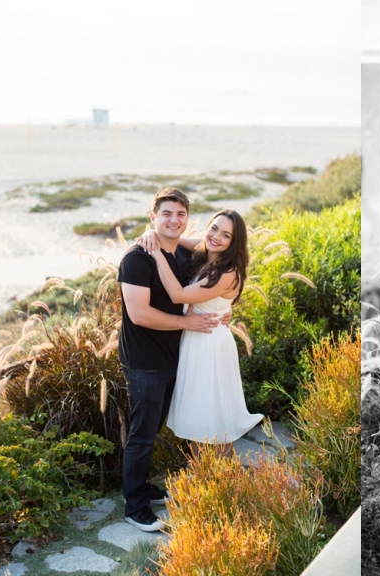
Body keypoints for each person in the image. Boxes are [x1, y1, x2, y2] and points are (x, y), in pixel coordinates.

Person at [118, 187, 226, 532]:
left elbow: (213, 244)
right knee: (143, 433)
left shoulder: (181, 253)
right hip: (144, 360)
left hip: (175, 356)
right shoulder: (136, 258)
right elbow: (139, 314)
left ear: (187, 219)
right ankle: (134, 506)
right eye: (166, 213)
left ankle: (142, 487)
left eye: (180, 214)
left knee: (154, 425)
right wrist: (187, 322)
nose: (173, 220)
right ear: (153, 217)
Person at [137, 208, 263, 458]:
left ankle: (225, 485)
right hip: (195, 341)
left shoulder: (227, 272)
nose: (216, 236)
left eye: (225, 235)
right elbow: (175, 238)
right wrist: (152, 232)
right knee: (197, 419)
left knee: (214, 421)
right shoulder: (208, 250)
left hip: (210, 346)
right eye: (214, 228)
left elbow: (178, 295)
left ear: (233, 243)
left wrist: (157, 255)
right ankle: (203, 483)